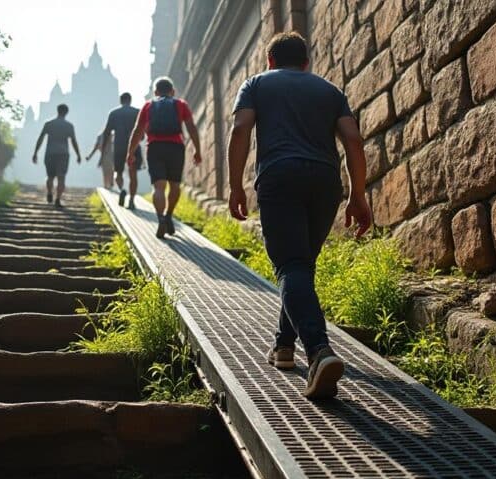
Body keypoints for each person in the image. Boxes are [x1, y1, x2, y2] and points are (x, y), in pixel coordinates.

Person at [228, 32, 371, 400]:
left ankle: (319, 351)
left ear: (270, 60)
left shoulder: (256, 83)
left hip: (279, 177)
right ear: (306, 62)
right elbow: (353, 141)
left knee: (292, 265)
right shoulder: (329, 90)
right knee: (301, 266)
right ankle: (284, 347)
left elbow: (241, 128)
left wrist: (235, 186)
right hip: (325, 182)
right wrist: (358, 195)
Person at [127, 77, 201, 238]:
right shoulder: (181, 104)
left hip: (154, 147)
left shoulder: (148, 105)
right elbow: (191, 128)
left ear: (155, 92)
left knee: (158, 187)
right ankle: (168, 215)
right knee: (174, 185)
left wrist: (130, 152)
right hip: (176, 148)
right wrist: (197, 150)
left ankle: (160, 218)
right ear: (172, 91)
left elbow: (137, 130)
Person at [31, 104, 81, 207]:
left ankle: (49, 192)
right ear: (66, 112)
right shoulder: (69, 126)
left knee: (50, 176)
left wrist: (35, 152)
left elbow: (41, 138)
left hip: (50, 153)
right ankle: (58, 198)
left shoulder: (49, 124)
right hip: (63, 154)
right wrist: (78, 155)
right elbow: (74, 141)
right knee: (61, 177)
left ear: (57, 111)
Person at [102, 93, 143, 209]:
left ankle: (121, 190)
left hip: (119, 146)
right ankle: (132, 200)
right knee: (133, 173)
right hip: (134, 146)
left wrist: (104, 148)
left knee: (118, 172)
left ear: (120, 101)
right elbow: (142, 128)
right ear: (130, 100)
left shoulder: (114, 113)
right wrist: (142, 137)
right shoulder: (137, 112)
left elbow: (107, 132)